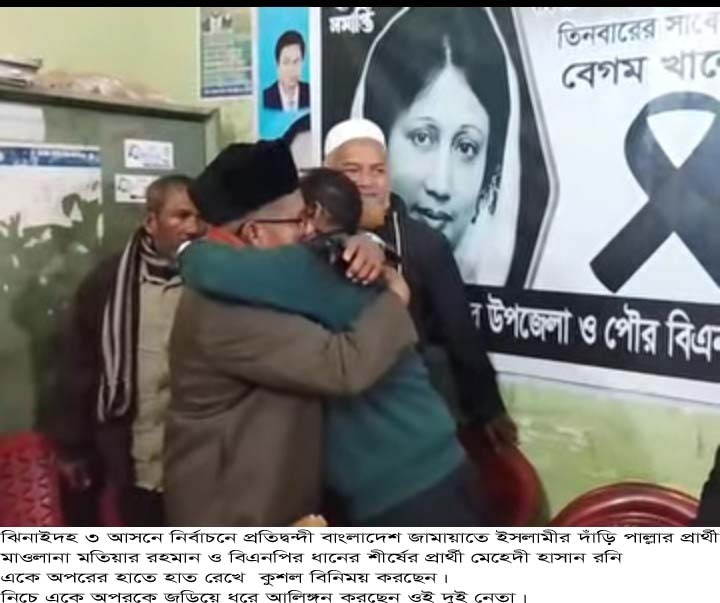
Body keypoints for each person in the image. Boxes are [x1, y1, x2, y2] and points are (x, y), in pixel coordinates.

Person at [178, 167, 490, 526]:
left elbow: (211, 268)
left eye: (305, 219)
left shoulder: (308, 269)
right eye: (297, 220)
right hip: (422, 466)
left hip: (406, 484)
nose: (303, 230)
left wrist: (190, 253)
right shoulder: (332, 263)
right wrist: (374, 249)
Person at [164, 140, 417, 526]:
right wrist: (395, 299)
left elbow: (320, 255)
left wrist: (364, 243)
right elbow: (342, 366)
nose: (307, 232)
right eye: (298, 221)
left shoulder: (255, 279)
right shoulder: (224, 305)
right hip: (232, 512)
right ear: (254, 233)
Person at [324, 117, 517, 448]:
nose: (366, 182)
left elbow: (459, 332)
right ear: (327, 174)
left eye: (377, 170)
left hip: (409, 412)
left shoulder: (424, 243)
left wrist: (489, 409)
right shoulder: (307, 239)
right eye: (352, 171)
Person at [49, 174, 203, 526]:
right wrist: (72, 447)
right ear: (151, 222)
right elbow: (77, 366)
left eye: (200, 217)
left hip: (200, 464)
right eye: (181, 216)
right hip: (135, 464)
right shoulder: (108, 283)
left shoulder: (217, 279)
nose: (193, 228)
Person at [349, 7, 521, 285]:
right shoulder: (337, 264)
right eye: (422, 138)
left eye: (466, 148)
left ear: (490, 178)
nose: (440, 185)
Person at [263, 30, 310, 112]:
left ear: (302, 63)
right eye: (286, 62)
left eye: (296, 62)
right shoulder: (265, 98)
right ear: (278, 65)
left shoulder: (312, 93)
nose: (291, 69)